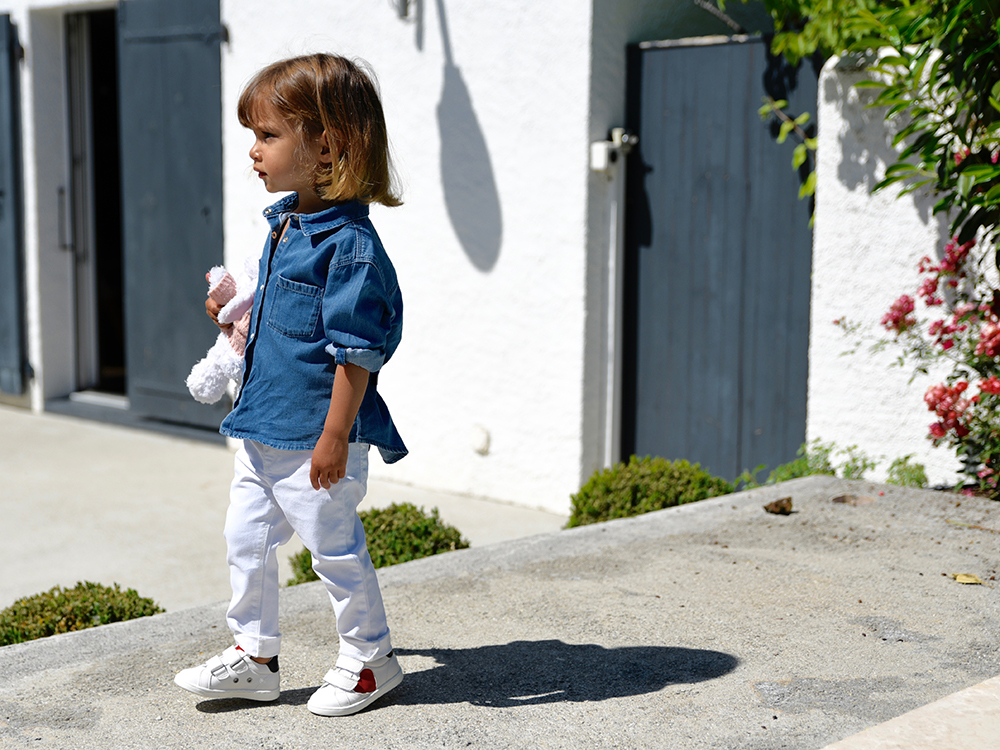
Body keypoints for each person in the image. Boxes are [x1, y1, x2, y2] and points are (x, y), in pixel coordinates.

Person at [173, 53, 407, 717]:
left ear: (327, 146)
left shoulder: (350, 245)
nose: (253, 151)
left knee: (334, 551)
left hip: (315, 437)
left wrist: (336, 437)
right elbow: (273, 312)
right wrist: (230, 312)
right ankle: (255, 656)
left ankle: (371, 659)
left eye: (268, 136)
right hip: (261, 425)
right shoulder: (284, 223)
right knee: (244, 540)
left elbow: (357, 352)